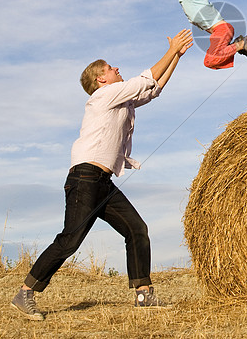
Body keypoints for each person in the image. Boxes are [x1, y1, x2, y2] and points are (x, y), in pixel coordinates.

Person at [11, 29, 194, 321]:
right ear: (101, 79)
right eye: (110, 68)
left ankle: (144, 294)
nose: (117, 69)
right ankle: (25, 293)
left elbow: (153, 89)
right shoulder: (105, 96)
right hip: (84, 178)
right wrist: (171, 50)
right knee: (70, 240)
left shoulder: (120, 99)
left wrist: (177, 57)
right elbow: (144, 79)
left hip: (102, 182)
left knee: (136, 229)